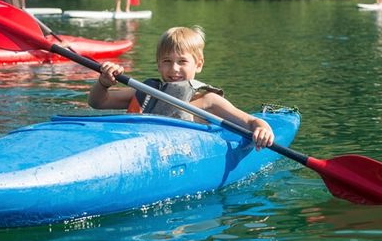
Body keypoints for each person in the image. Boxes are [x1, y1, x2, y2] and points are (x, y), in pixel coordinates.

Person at [88, 26, 275, 151]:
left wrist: (263, 128)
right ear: (159, 65)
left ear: (198, 64)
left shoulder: (208, 101)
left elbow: (250, 122)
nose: (174, 69)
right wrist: (104, 82)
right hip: (134, 147)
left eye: (182, 61)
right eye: (167, 61)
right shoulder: (146, 92)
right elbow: (98, 102)